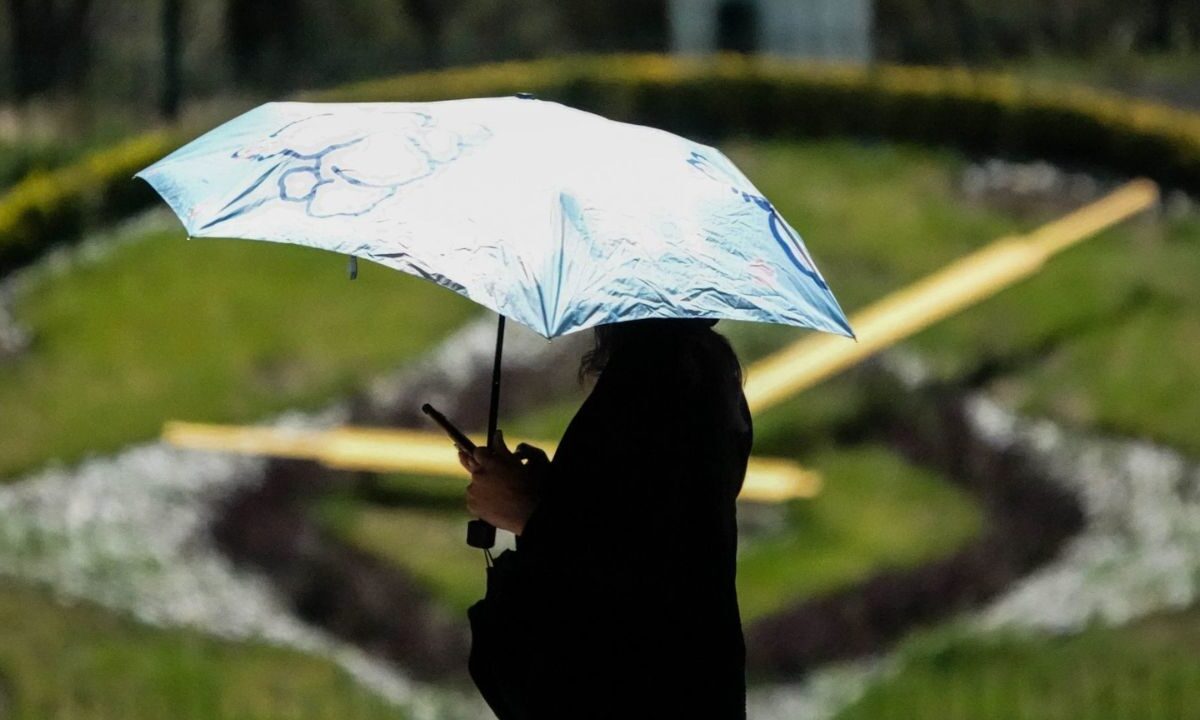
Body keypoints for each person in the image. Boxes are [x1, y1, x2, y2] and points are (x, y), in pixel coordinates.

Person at [459, 316, 752, 719]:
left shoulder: (652, 388)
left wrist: (529, 511)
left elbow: (628, 582)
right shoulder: (697, 374)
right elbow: (633, 518)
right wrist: (553, 494)